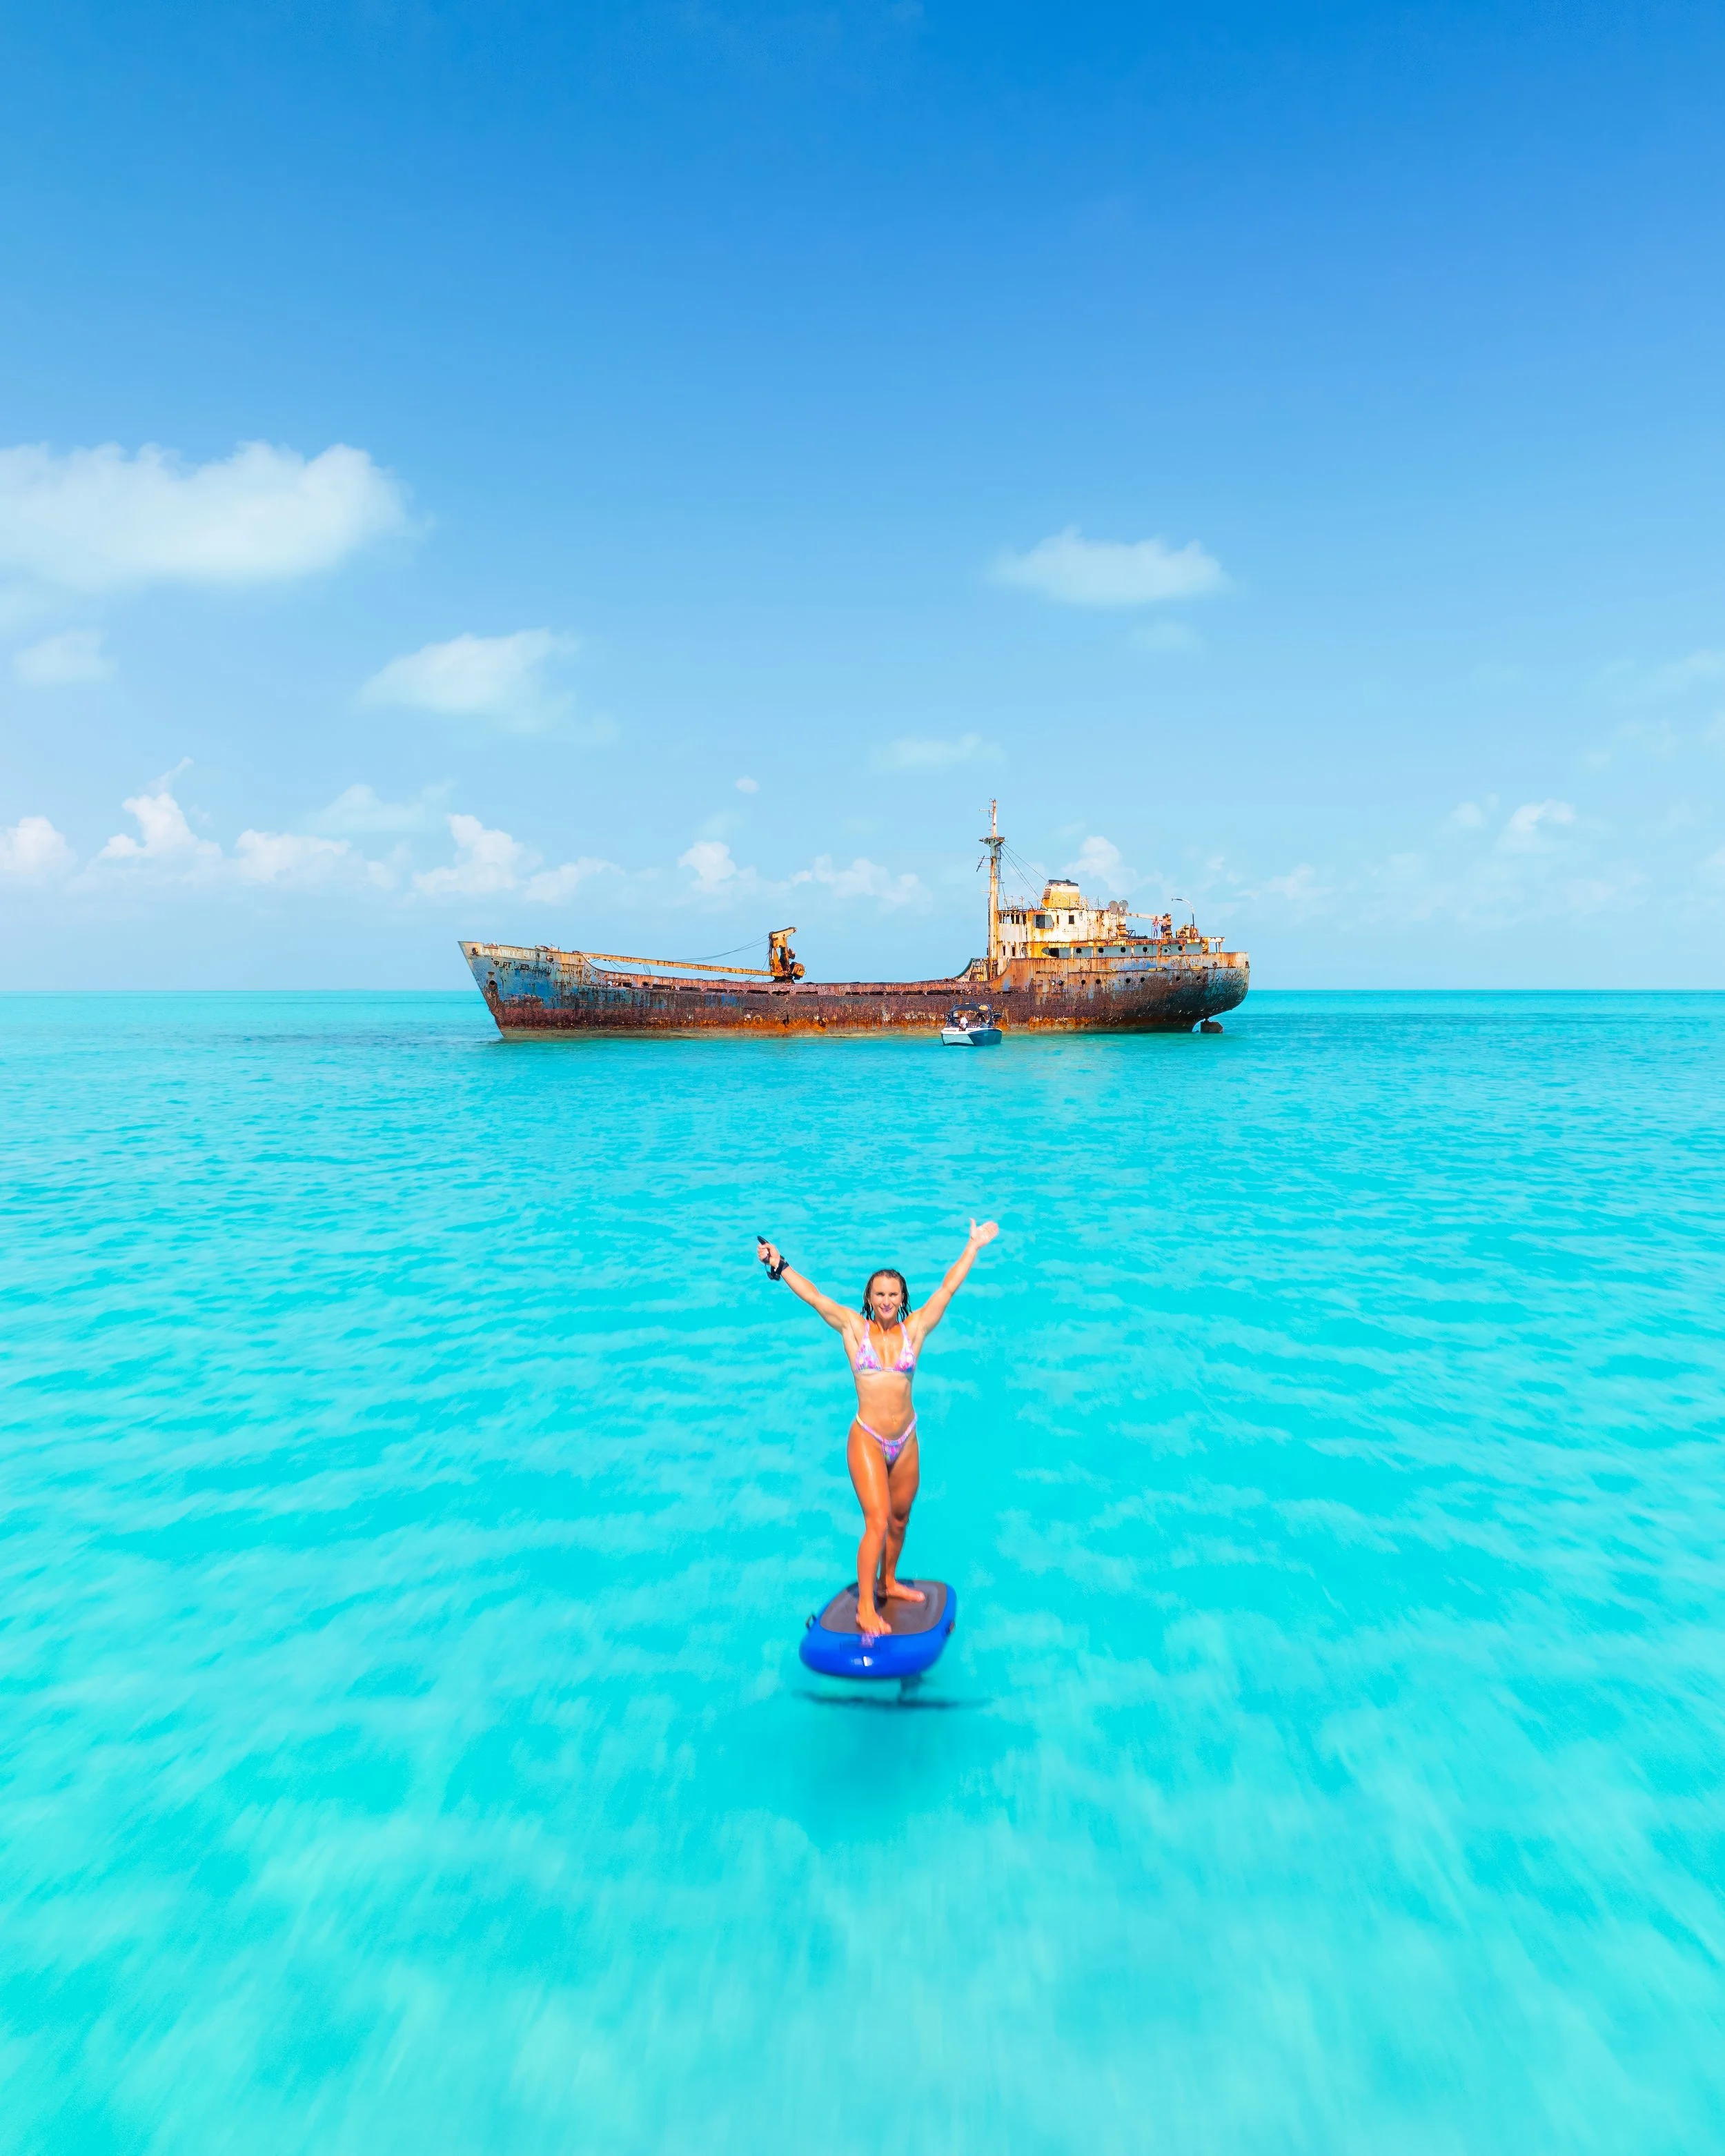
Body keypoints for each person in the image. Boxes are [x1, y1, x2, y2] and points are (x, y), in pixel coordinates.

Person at [756, 1223, 1000, 1637]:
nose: (886, 1300)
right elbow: (815, 1297)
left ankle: (889, 1582)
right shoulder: (853, 1328)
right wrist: (779, 1266)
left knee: (901, 1519)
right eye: (879, 1294)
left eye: (893, 1294)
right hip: (867, 1436)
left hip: (906, 1440)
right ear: (869, 1298)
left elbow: (947, 1289)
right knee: (878, 1521)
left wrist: (973, 1246)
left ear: (902, 1298)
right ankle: (867, 1607)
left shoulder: (915, 1329)